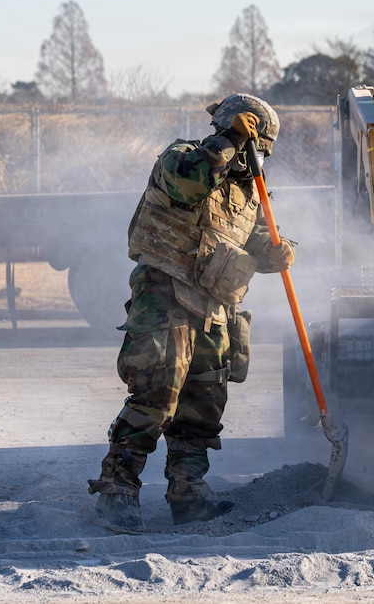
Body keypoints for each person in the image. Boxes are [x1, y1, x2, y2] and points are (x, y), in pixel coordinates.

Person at [88, 93, 295, 531]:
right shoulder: (182, 157)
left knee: (202, 406)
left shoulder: (249, 194)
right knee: (156, 397)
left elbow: (258, 241)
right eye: (250, 145)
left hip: (215, 307)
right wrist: (228, 140)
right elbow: (190, 184)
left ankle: (189, 494)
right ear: (229, 132)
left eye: (260, 150)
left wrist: (281, 251)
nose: (252, 158)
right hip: (166, 296)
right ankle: (117, 490)